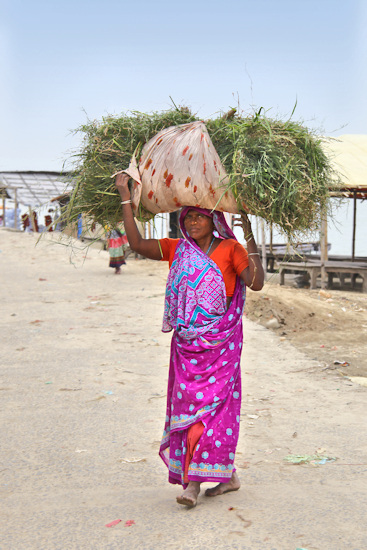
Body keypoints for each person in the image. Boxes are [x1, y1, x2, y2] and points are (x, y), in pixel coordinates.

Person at [115, 173, 264, 507]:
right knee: (190, 415)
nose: (194, 221)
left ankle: (192, 485)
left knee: (213, 416)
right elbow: (137, 244)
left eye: (200, 216)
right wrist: (126, 195)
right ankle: (227, 476)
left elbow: (255, 283)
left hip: (220, 347)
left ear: (214, 220)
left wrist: (249, 233)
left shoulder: (230, 249)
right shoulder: (177, 249)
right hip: (186, 348)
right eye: (189, 217)